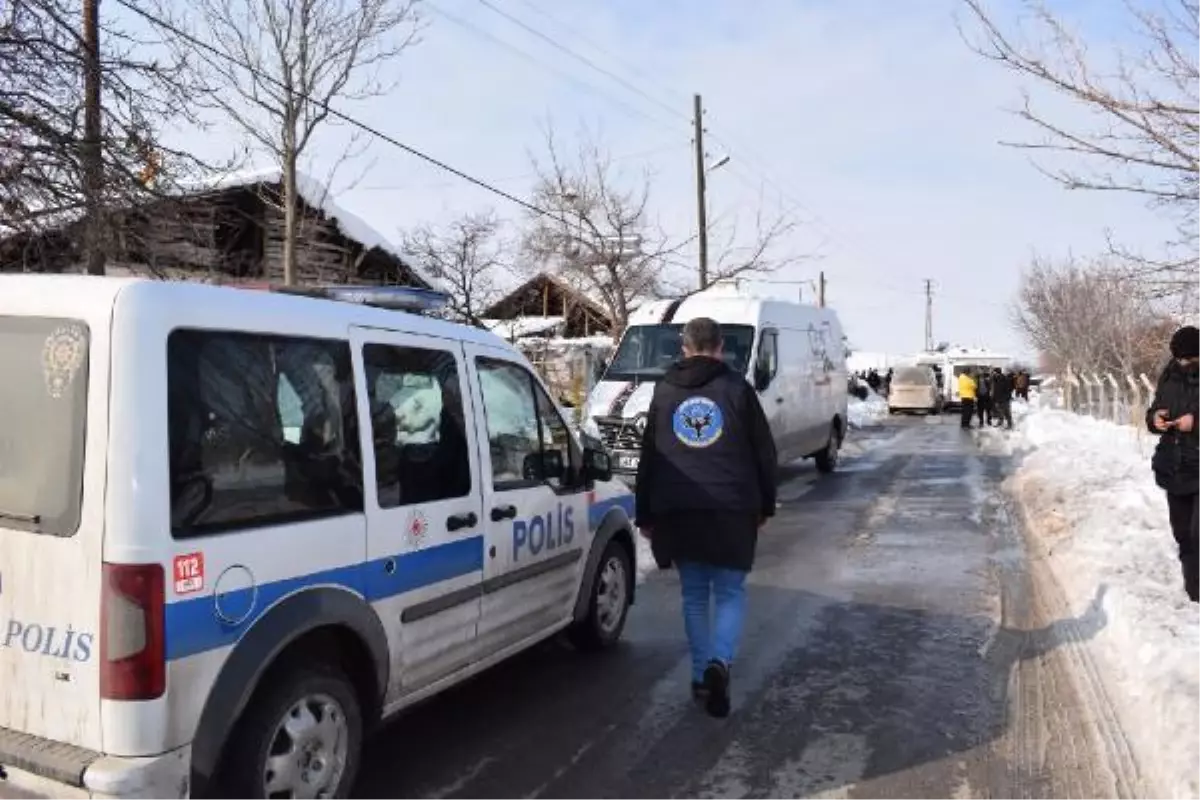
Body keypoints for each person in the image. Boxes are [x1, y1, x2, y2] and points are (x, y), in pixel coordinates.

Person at [635, 317, 777, 718]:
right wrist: (764, 504)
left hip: (678, 509)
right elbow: (763, 453)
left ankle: (701, 677)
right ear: (719, 348)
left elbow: (650, 456)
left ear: (684, 347)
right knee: (730, 592)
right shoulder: (737, 389)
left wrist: (645, 511)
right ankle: (720, 662)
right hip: (732, 507)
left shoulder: (664, 391)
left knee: (695, 596)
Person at [1147, 325, 1200, 603]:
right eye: (1180, 358)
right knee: (1183, 535)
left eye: (1190, 359)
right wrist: (1156, 419)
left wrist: (1196, 422)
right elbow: (1153, 410)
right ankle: (1194, 593)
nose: (1184, 364)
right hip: (1174, 466)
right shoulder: (1169, 376)